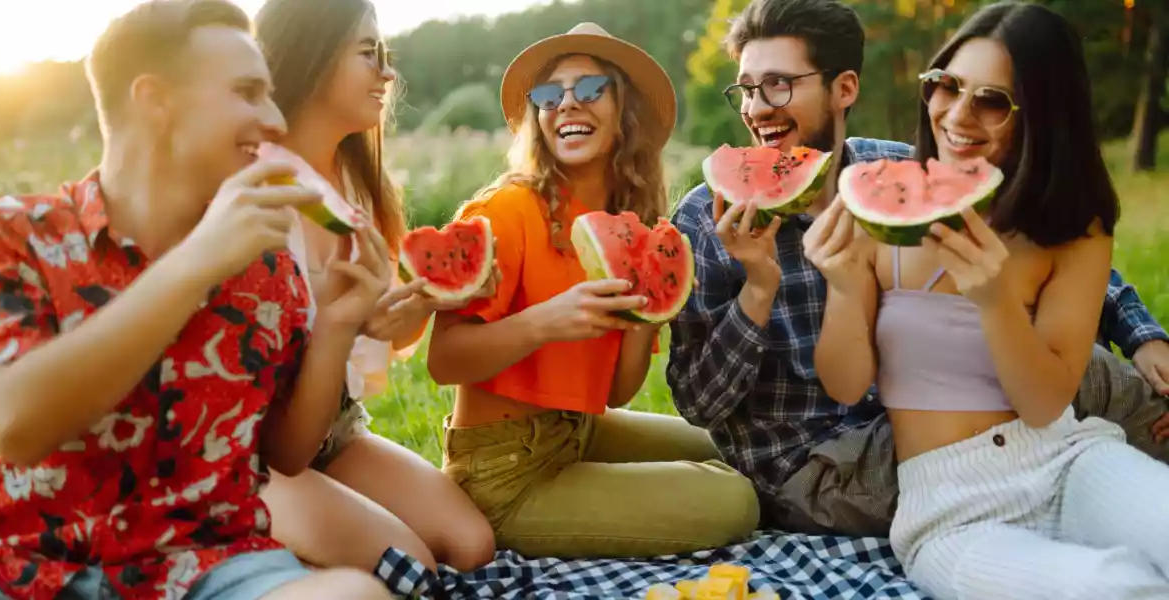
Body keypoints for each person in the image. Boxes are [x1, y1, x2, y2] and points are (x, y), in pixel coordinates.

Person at [667, 0, 1169, 540]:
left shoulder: (898, 170)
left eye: (779, 85)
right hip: (823, 466)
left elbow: (1037, 241)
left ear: (845, 89)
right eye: (746, 88)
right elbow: (698, 405)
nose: (757, 108)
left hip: (926, 400)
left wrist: (1141, 335)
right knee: (1069, 404)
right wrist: (757, 293)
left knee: (1083, 369)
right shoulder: (706, 217)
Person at [0, 1, 393, 598]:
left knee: (355, 594)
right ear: (155, 100)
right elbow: (15, 423)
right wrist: (197, 263)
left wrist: (337, 326)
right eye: (248, 93)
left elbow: (287, 454)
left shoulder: (269, 266)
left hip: (213, 564)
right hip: (26, 566)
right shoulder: (13, 236)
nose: (274, 119)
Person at [806, 3, 1169, 597]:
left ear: (1042, 117)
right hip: (950, 512)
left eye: (991, 100)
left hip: (1068, 462)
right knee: (1117, 587)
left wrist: (996, 301)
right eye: (945, 86)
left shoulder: (1077, 231)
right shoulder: (885, 212)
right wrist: (845, 288)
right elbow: (845, 385)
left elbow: (1046, 404)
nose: (957, 114)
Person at [426, 23, 761, 560]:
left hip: (578, 432)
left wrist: (646, 312)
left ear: (625, 111)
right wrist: (546, 321)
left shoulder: (627, 226)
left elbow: (616, 394)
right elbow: (443, 361)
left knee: (740, 451)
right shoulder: (506, 211)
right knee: (736, 498)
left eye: (588, 90)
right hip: (504, 474)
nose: (566, 105)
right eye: (549, 95)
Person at [251, 0, 497, 575]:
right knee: (411, 568)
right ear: (309, 56)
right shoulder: (258, 195)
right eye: (370, 54)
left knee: (471, 545)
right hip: (256, 454)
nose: (388, 73)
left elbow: (391, 334)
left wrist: (434, 301)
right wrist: (345, 322)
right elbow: (277, 428)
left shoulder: (356, 183)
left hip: (333, 433)